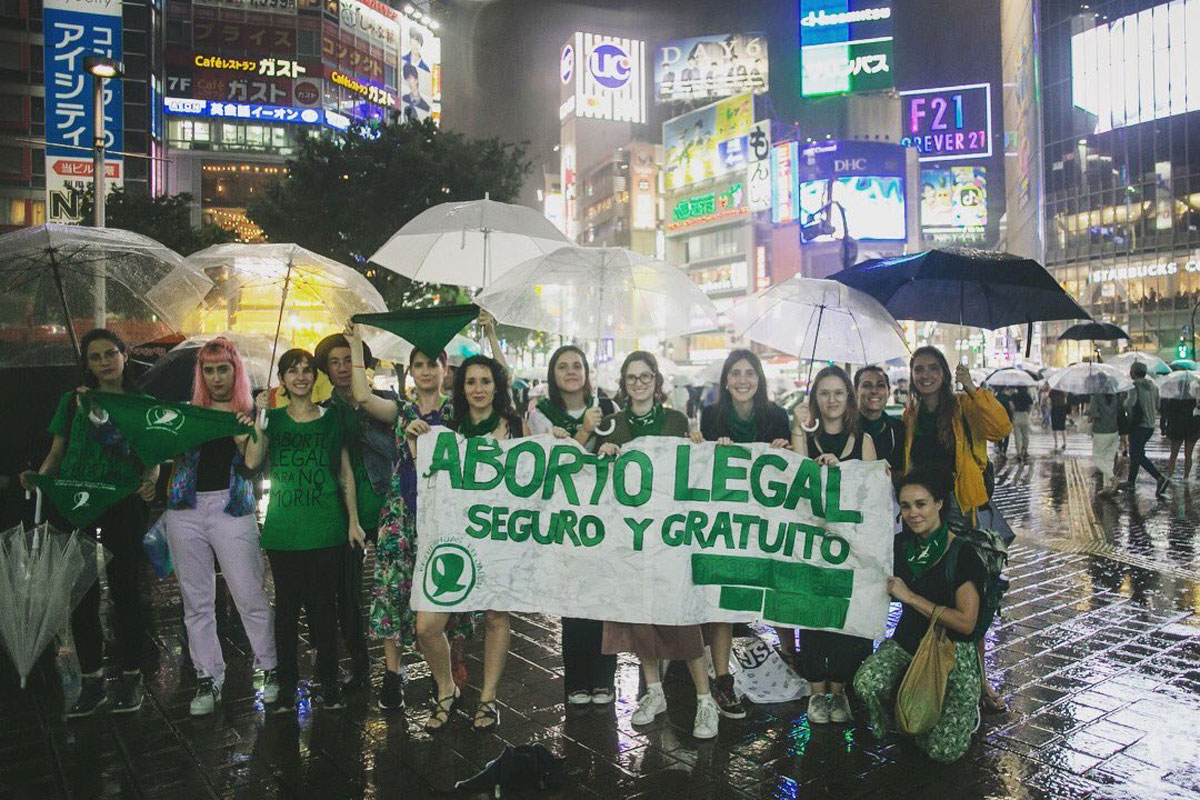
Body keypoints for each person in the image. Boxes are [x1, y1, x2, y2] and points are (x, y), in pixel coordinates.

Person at [21, 329, 159, 717]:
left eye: (109, 354)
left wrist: (151, 480)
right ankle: (92, 679)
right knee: (81, 595)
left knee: (125, 591)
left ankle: (132, 676)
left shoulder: (140, 404)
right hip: (75, 502)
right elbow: (57, 451)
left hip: (121, 503)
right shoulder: (73, 402)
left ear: (125, 355)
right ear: (87, 363)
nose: (103, 362)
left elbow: (154, 453)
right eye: (95, 357)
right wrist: (41, 477)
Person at [598, 351, 720, 740]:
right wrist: (604, 453)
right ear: (624, 381)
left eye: (645, 376)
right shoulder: (612, 425)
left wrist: (697, 447)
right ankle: (654, 692)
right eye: (632, 377)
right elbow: (597, 479)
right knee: (638, 619)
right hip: (629, 540)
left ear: (656, 379)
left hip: (669, 539)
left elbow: (690, 471)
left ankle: (705, 700)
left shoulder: (675, 420)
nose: (639, 383)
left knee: (681, 618)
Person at [241, 349, 366, 714]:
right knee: (286, 611)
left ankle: (327, 681)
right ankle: (287, 684)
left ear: (315, 377)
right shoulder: (273, 419)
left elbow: (345, 473)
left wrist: (353, 521)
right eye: (292, 371)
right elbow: (251, 460)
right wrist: (258, 416)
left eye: (306, 370)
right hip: (284, 530)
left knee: (325, 608)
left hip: (326, 527)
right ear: (282, 379)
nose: (300, 377)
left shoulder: (331, 420)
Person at [162, 337, 277, 716]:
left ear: (235, 370)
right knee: (196, 600)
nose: (215, 377)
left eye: (222, 369)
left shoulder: (247, 410)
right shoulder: (189, 413)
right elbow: (168, 454)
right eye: (208, 370)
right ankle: (207, 675)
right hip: (185, 509)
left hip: (232, 507)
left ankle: (271, 667)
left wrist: (251, 427)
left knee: (249, 593)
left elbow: (254, 463)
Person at [416, 354, 524, 733]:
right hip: (453, 540)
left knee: (496, 616)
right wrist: (417, 440)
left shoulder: (515, 428)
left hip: (498, 538)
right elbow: (428, 476)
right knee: (427, 625)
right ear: (461, 388)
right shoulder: (446, 429)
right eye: (471, 382)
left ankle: (488, 699)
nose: (478, 388)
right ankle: (447, 689)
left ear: (497, 386)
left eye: (486, 381)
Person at [901, 346, 1010, 714]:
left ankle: (980, 681)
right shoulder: (911, 415)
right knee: (932, 594)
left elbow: (1001, 428)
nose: (926, 375)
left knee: (971, 600)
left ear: (945, 374)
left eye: (933, 368)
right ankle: (936, 673)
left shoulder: (964, 405)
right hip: (925, 516)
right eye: (919, 369)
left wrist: (972, 386)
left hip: (962, 512)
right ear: (913, 375)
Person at [854, 464, 985, 763]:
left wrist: (911, 598)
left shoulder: (963, 554)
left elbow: (966, 623)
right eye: (905, 505)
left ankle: (957, 712)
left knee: (943, 752)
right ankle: (906, 723)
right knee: (867, 683)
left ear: (939, 503)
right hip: (907, 644)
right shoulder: (900, 546)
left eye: (921, 504)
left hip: (950, 652)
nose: (913, 513)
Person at [695, 349, 789, 721]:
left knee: (774, 586)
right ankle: (722, 677)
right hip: (726, 522)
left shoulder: (777, 417)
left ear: (759, 378)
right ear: (726, 380)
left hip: (766, 521)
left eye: (749, 372)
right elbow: (702, 469)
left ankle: (790, 653)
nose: (742, 380)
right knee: (723, 598)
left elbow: (791, 472)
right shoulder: (712, 416)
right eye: (735, 373)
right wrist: (705, 449)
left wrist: (787, 447)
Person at [528, 345, 619, 708]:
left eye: (577, 365)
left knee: (604, 600)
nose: (571, 372)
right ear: (553, 374)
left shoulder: (607, 408)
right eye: (563, 366)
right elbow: (555, 465)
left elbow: (625, 449)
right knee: (573, 601)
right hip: (565, 519)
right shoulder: (542, 415)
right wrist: (583, 433)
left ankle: (604, 678)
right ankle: (577, 680)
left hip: (605, 517)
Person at [791, 366, 876, 725]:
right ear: (815, 398)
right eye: (824, 393)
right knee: (811, 617)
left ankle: (838, 692)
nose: (831, 400)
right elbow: (794, 478)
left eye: (838, 393)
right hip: (810, 545)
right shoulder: (804, 435)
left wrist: (841, 470)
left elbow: (871, 492)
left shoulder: (864, 439)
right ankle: (816, 692)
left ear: (849, 398)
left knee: (843, 617)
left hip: (848, 547)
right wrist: (798, 428)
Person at [314, 332, 398, 695]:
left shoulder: (387, 403)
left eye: (350, 359)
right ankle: (360, 664)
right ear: (327, 370)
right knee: (347, 594)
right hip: (344, 514)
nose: (344, 368)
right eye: (335, 362)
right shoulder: (324, 413)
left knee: (397, 590)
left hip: (389, 508)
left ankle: (396, 668)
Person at [1125, 362, 1169, 496]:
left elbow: (1129, 404)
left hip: (1138, 425)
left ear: (1133, 372)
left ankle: (1159, 477)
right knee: (1135, 453)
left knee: (1137, 455)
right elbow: (1158, 404)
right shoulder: (1154, 386)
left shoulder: (1134, 386)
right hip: (1150, 426)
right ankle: (1131, 482)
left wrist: (1123, 404)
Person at [855, 365, 906, 473]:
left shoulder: (900, 429)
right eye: (867, 385)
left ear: (888, 391)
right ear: (855, 391)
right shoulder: (844, 429)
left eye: (881, 385)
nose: (874, 391)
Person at [1088, 387, 1122, 497]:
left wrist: (1088, 414)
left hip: (1101, 431)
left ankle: (1113, 478)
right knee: (1108, 459)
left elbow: (1095, 414)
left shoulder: (1096, 396)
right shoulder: (1116, 396)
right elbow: (1121, 411)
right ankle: (1107, 487)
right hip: (1114, 430)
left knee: (1097, 457)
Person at [1160, 390, 1198, 481]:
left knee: (1173, 454)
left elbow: (1168, 412)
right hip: (1190, 428)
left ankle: (1170, 475)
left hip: (1177, 429)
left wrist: (1164, 426)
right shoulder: (1193, 399)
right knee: (1188, 455)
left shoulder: (1174, 398)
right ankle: (1186, 477)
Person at [1009, 387, 1034, 461]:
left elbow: (1011, 404)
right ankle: (1025, 450)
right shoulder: (1027, 395)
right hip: (1025, 415)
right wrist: (1028, 412)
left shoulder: (1014, 395)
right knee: (1026, 435)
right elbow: (1030, 405)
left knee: (1017, 436)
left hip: (1016, 415)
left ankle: (1019, 452)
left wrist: (1014, 410)